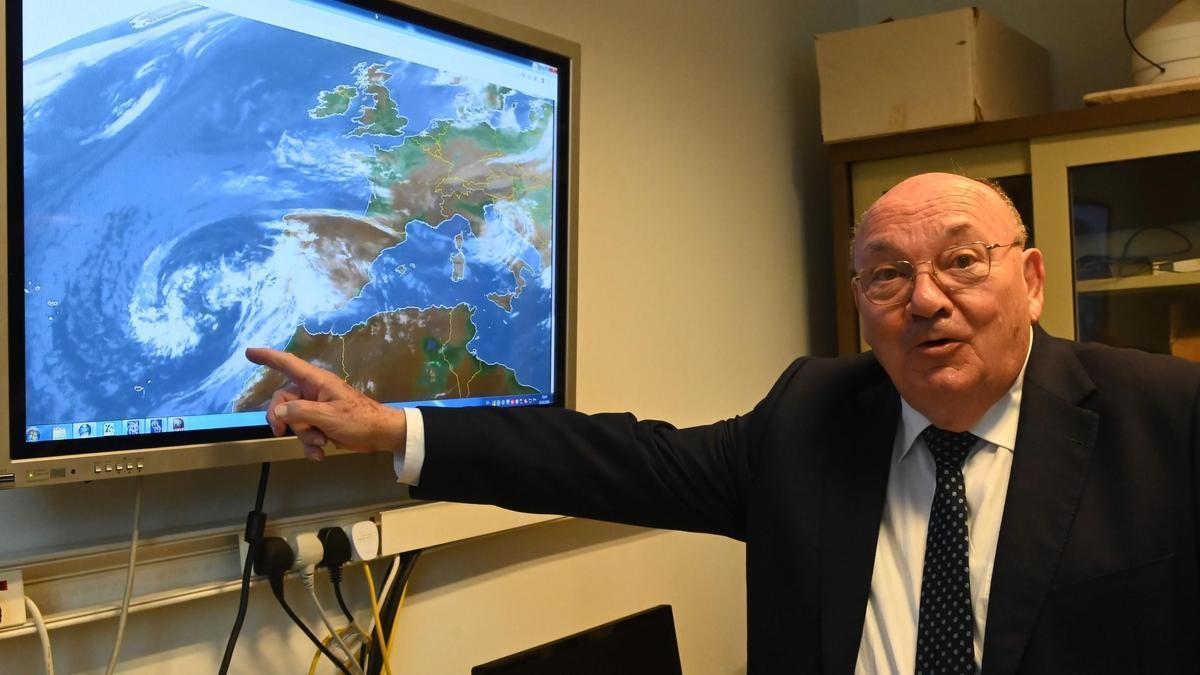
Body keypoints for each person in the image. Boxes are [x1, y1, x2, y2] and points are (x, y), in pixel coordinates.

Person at [246, 172, 1200, 674]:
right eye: (888, 275)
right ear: (862, 303)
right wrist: (392, 427)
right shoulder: (814, 419)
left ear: (1030, 282)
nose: (926, 300)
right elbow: (617, 459)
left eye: (962, 262)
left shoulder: (1164, 419)